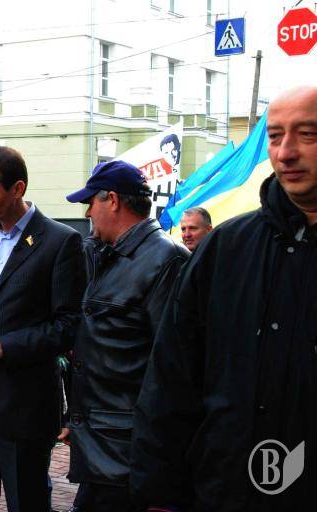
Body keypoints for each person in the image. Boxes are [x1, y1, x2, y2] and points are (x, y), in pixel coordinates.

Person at [131, 86, 317, 510]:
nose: (285, 152)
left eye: (307, 134)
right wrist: (159, 489)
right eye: (275, 136)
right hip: (228, 488)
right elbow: (172, 374)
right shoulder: (227, 247)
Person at [0, 146, 86, 512]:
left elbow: (69, 325)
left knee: (27, 502)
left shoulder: (61, 241)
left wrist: (6, 346)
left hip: (24, 406)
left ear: (18, 188)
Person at [62, 160, 189, 511]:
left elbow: (173, 368)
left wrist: (158, 456)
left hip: (131, 453)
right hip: (103, 446)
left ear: (113, 200)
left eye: (91, 202)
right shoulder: (106, 254)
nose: (88, 213)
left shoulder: (166, 260)